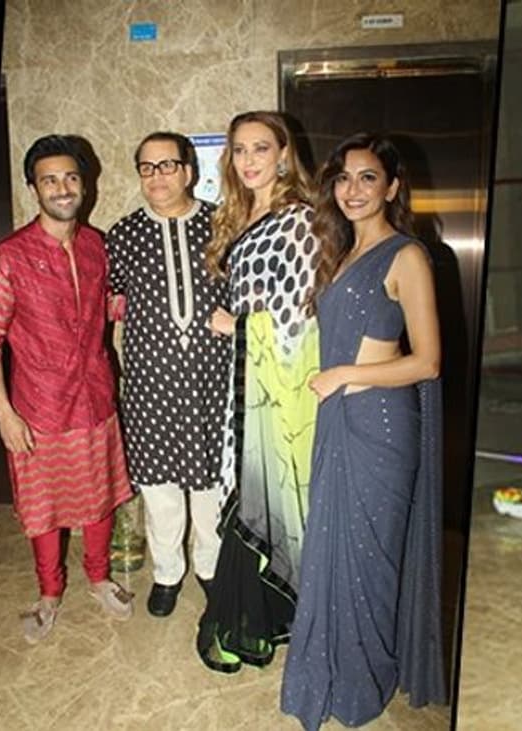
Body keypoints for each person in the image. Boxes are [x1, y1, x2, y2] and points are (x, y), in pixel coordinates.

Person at [280, 133, 446, 729]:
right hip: (338, 420)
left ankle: (362, 684)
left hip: (381, 426)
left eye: (368, 177)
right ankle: (331, 672)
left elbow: (428, 362)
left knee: (371, 561)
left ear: (392, 188)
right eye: (344, 178)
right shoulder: (342, 253)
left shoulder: (407, 256)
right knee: (333, 553)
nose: (353, 190)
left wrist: (346, 374)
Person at [0, 134, 135, 643]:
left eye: (70, 178)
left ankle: (99, 579)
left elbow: (106, 306)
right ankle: (49, 593)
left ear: (83, 185)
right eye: (50, 180)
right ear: (34, 188)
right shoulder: (8, 258)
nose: (62, 188)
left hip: (95, 398)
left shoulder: (96, 246)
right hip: (39, 408)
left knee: (99, 496)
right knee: (44, 506)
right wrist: (5, 413)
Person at [196, 110, 319, 672]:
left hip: (278, 386)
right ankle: (264, 616)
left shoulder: (299, 220)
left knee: (264, 494)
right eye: (239, 150)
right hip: (245, 377)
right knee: (248, 491)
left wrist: (238, 326)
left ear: (284, 154)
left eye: (260, 148)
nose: (248, 160)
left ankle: (245, 620)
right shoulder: (241, 213)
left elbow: (303, 317)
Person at [105, 132, 229, 617]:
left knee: (210, 488)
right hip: (150, 384)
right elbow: (110, 301)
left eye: (167, 165)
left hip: (211, 383)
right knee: (159, 490)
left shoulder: (222, 226)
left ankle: (211, 569)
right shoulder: (123, 235)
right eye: (147, 167)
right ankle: (167, 574)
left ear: (189, 171)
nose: (156, 176)